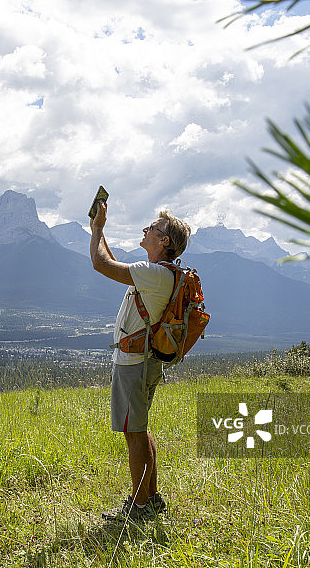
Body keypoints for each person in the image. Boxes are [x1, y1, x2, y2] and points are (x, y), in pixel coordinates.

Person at [89, 199, 191, 522]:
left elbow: (100, 264)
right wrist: (99, 230)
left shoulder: (154, 275)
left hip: (133, 363)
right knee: (140, 429)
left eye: (154, 228)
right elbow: (115, 263)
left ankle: (138, 507)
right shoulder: (159, 275)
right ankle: (151, 498)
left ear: (164, 242)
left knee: (134, 433)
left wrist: (97, 230)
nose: (146, 230)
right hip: (143, 361)